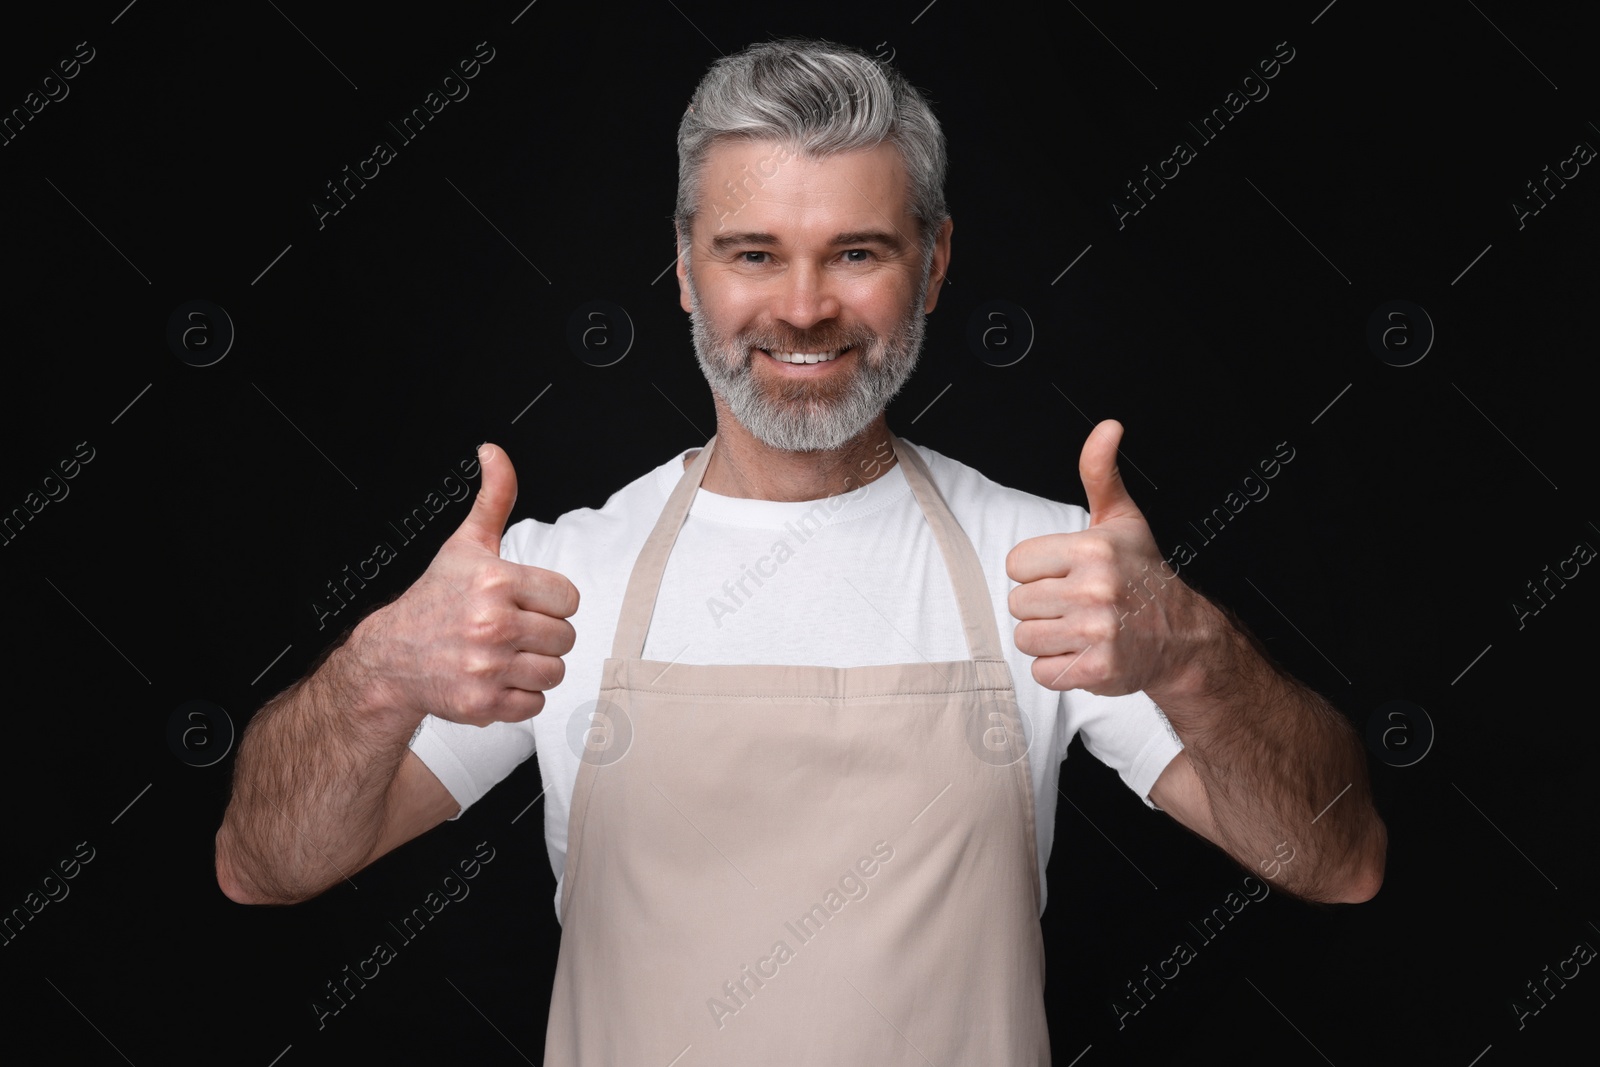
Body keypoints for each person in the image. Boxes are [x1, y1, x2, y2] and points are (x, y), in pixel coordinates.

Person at [215, 38, 1385, 1063]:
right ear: (682, 270)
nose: (805, 306)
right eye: (754, 253)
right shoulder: (555, 582)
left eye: (858, 252)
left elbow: (1337, 859)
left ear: (931, 264)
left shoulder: (1048, 569)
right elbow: (263, 864)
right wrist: (378, 672)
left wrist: (1188, 651)